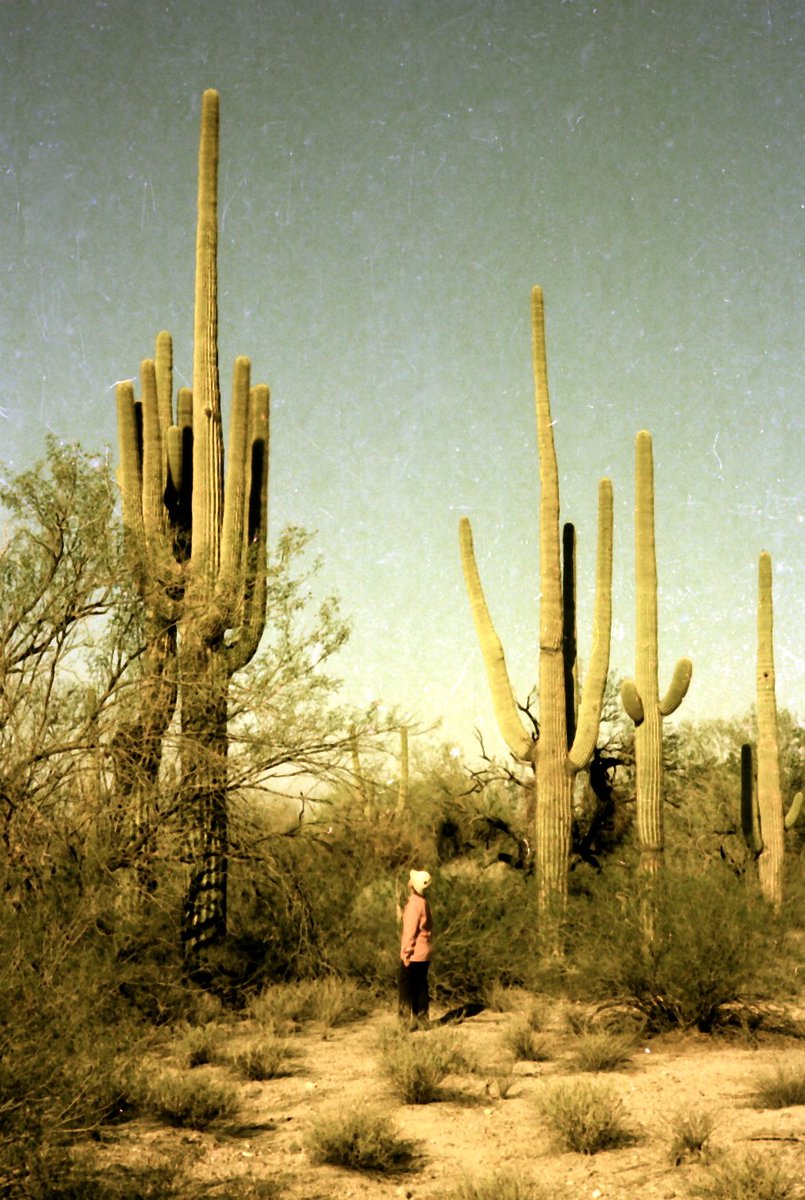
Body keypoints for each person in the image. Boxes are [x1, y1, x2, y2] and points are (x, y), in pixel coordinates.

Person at [398, 868, 433, 1030]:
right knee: (421, 987)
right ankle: (422, 1021)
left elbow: (410, 931)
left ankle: (405, 1024)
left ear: (413, 885)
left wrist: (406, 952)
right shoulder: (424, 902)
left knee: (406, 988)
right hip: (425, 952)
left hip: (413, 954)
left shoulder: (413, 904)